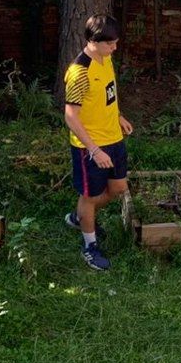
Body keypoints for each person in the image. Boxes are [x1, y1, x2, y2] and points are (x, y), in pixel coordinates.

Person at [62, 14, 133, 271]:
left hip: (114, 138)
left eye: (115, 42)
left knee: (117, 189)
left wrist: (118, 116)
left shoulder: (106, 59)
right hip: (89, 148)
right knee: (90, 196)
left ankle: (79, 216)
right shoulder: (79, 72)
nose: (114, 48)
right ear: (93, 41)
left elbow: (108, 95)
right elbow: (71, 116)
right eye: (109, 43)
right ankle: (89, 246)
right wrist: (94, 150)